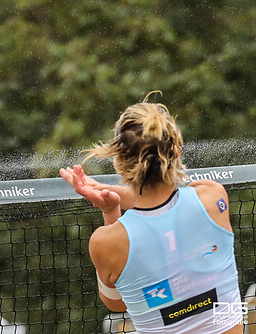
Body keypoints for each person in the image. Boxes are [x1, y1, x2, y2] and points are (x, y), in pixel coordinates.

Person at [60, 92, 243, 334]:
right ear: (177, 152)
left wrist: (111, 209)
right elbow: (167, 200)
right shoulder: (212, 197)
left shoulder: (106, 242)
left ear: (118, 163)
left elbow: (117, 303)